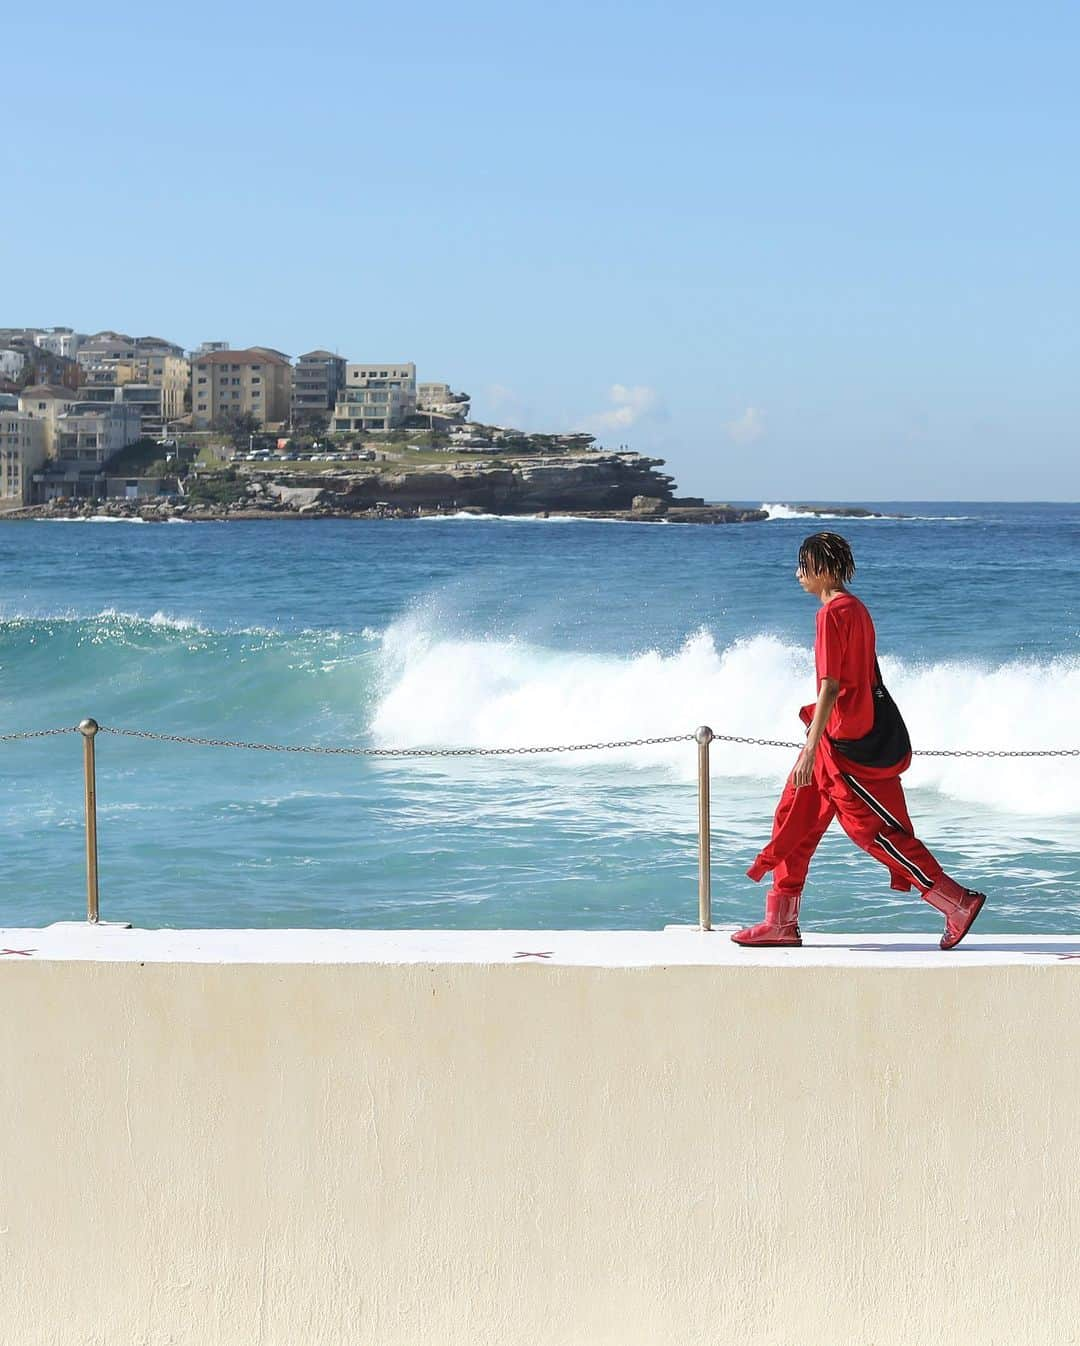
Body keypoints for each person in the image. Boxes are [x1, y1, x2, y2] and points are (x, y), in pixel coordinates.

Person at [732, 531, 986, 950]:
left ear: (825, 569)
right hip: (837, 738)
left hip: (845, 745)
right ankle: (781, 921)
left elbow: (831, 686)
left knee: (872, 832)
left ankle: (955, 902)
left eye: (804, 566)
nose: (798, 574)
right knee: (793, 819)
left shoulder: (832, 613)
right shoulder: (858, 609)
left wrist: (809, 752)